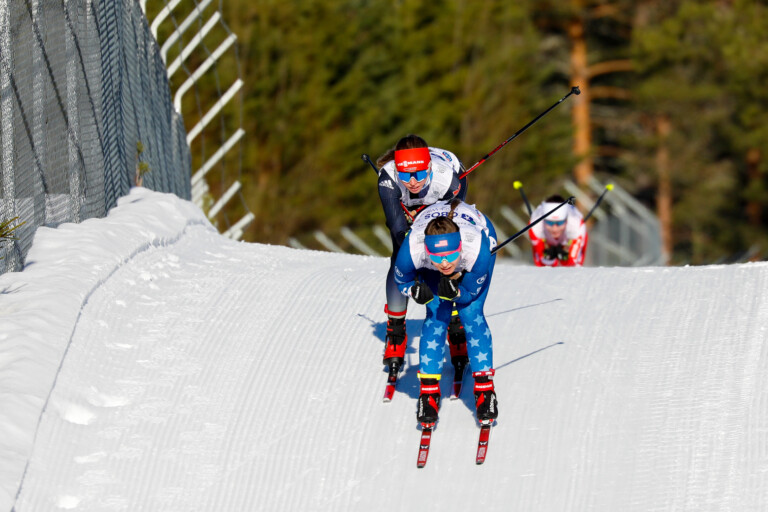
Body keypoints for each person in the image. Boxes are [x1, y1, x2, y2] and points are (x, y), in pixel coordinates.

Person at [393, 199, 498, 426]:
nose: (445, 263)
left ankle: (485, 390)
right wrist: (413, 291)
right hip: (431, 240)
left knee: (471, 313)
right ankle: (428, 394)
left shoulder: (478, 248)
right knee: (436, 314)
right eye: (437, 256)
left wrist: (457, 293)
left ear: (459, 247)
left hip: (477, 240)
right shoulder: (412, 249)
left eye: (450, 255)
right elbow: (401, 279)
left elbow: (469, 293)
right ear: (426, 251)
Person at [376, 135, 468, 376]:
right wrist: (413, 279)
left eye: (419, 173)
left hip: (441, 197)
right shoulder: (388, 178)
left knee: (445, 254)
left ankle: (455, 319)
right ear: (398, 170)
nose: (413, 181)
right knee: (401, 255)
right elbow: (398, 231)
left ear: (428, 167)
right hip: (408, 208)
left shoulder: (448, 179)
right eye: (405, 175)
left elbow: (449, 234)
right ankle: (395, 328)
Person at [529, 194, 588, 267]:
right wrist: (551, 260)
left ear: (566, 220)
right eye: (549, 222)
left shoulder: (576, 224)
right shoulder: (535, 224)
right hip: (547, 240)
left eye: (559, 222)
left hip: (568, 239)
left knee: (575, 267)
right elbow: (540, 262)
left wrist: (564, 259)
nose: (554, 228)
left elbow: (573, 262)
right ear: (544, 220)